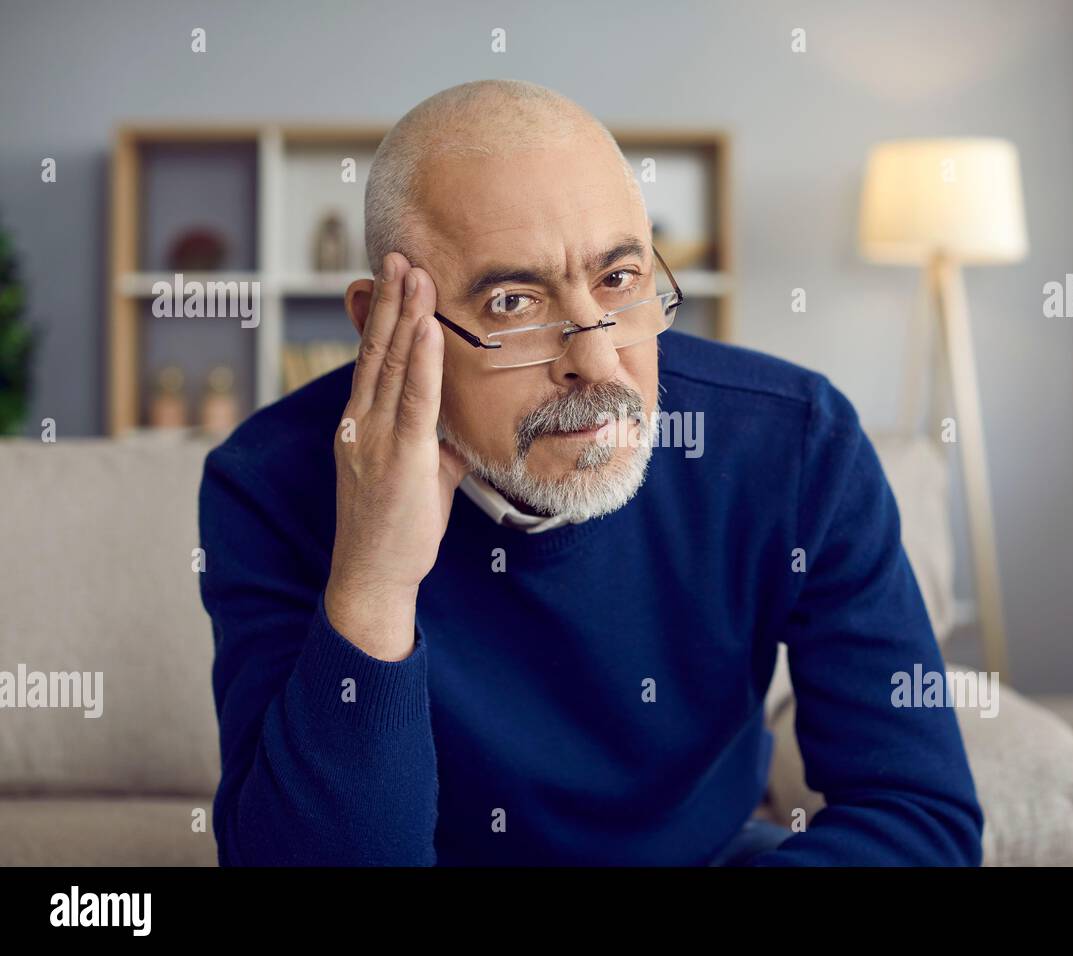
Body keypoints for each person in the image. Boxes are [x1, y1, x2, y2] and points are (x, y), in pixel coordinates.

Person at [199, 79, 983, 866]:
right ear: (383, 324)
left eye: (619, 279)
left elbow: (919, 818)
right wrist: (373, 583)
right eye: (512, 302)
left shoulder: (797, 443)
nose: (599, 362)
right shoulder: (267, 485)